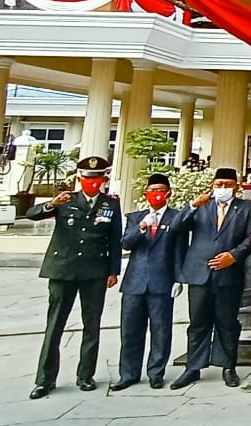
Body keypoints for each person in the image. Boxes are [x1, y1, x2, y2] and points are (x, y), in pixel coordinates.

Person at [25, 156, 122, 399]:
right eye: (87, 178)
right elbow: (31, 214)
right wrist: (50, 204)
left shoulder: (111, 204)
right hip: (63, 269)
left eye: (96, 178)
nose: (92, 182)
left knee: (92, 325)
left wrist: (113, 270)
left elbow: (114, 240)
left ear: (103, 179)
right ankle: (44, 379)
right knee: (55, 325)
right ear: (79, 179)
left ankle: (85, 375)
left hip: (94, 271)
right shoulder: (65, 200)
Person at [171, 167, 251, 390]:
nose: (222, 189)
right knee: (198, 322)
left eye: (227, 185)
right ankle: (193, 367)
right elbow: (175, 228)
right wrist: (192, 205)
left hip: (229, 274)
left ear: (236, 187)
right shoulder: (201, 207)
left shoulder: (245, 209)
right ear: (212, 185)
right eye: (219, 184)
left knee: (227, 323)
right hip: (199, 273)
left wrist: (233, 255)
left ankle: (228, 366)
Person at [113, 173, 180, 391]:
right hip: (135, 282)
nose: (156, 194)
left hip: (162, 281)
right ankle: (128, 373)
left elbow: (180, 250)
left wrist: (179, 279)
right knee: (130, 330)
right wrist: (141, 227)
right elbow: (126, 244)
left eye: (160, 190)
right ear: (146, 193)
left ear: (168, 193)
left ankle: (156, 372)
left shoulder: (176, 217)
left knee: (161, 330)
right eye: (152, 190)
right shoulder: (135, 217)